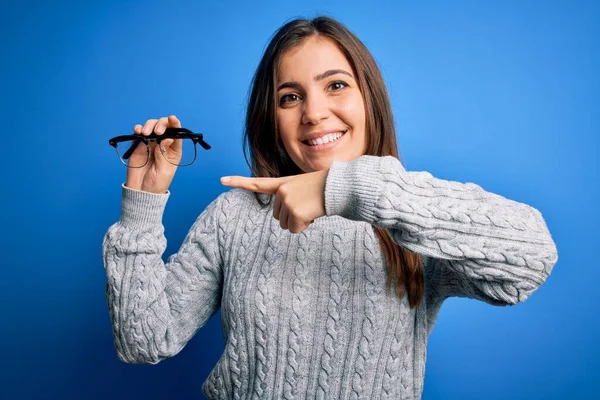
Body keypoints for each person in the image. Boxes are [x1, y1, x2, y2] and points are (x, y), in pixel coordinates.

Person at [102, 16, 558, 400]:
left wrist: (343, 190)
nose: (314, 112)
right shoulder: (234, 216)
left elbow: (531, 257)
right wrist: (143, 203)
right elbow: (144, 339)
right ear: (272, 118)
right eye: (290, 96)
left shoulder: (409, 211)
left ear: (369, 100)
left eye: (335, 86)